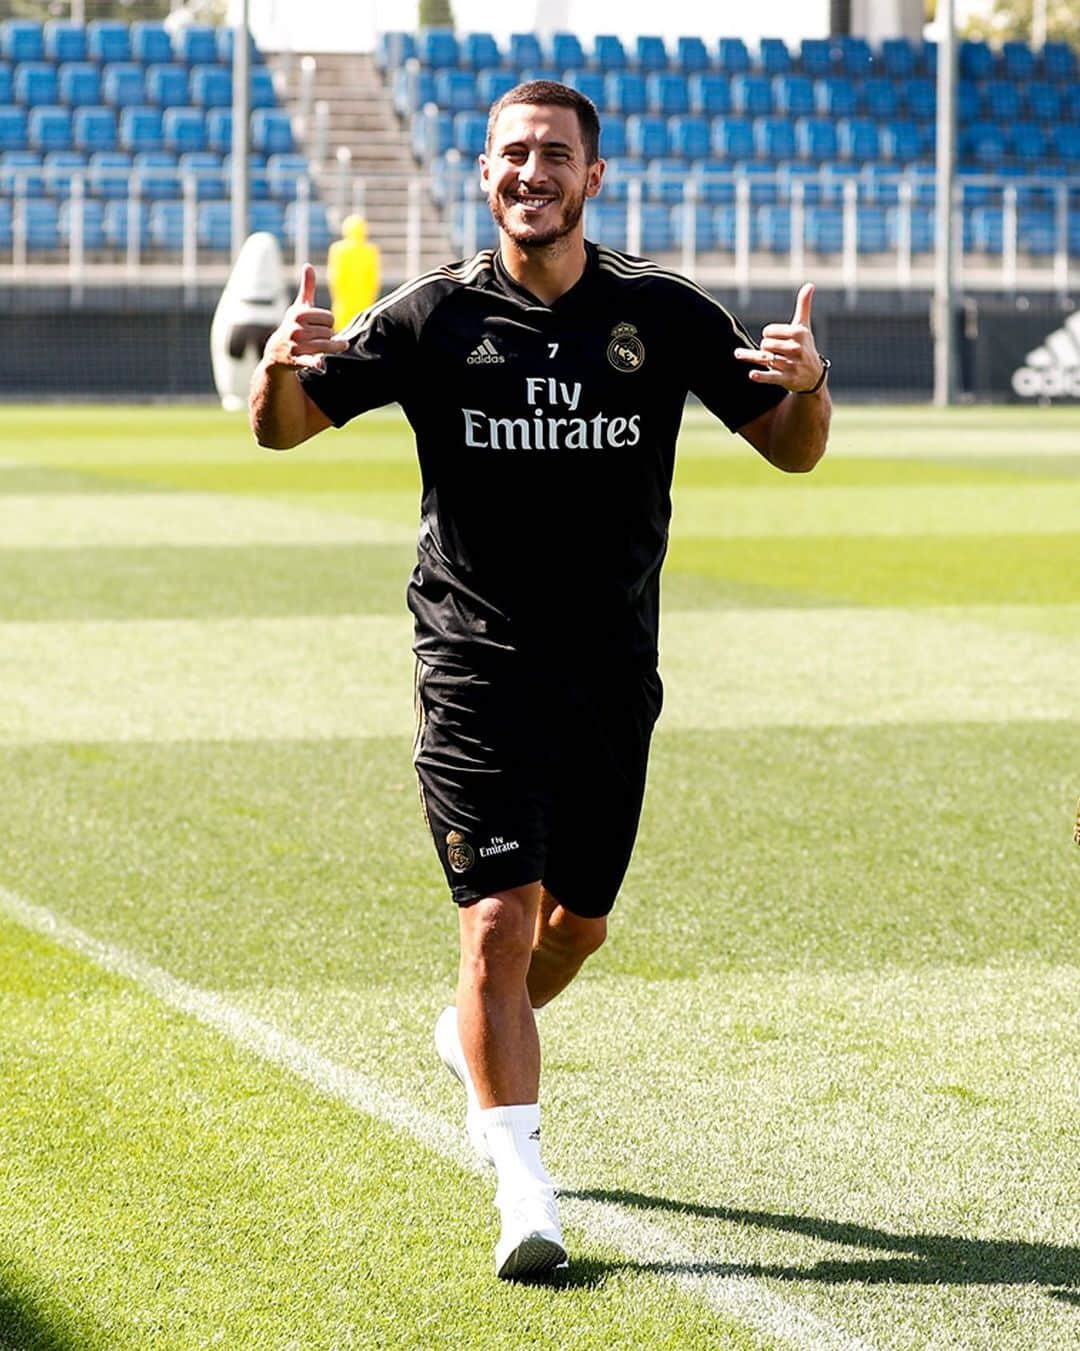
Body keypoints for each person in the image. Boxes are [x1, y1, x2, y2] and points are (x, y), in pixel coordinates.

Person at [249, 80, 830, 1281]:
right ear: (482, 173)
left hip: (612, 675)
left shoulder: (660, 312)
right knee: (498, 922)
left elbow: (787, 449)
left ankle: (476, 1041)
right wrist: (275, 368)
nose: (532, 172)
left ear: (593, 178)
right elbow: (286, 427)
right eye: (513, 153)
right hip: (474, 666)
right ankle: (525, 1189)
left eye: (554, 155)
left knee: (577, 926)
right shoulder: (430, 315)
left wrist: (810, 389)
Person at [326, 214, 382, 333]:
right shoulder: (371, 250)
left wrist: (337, 297)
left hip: (344, 302)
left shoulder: (337, 249)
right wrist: (372, 298)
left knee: (342, 335)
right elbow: (374, 279)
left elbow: (334, 278)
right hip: (364, 301)